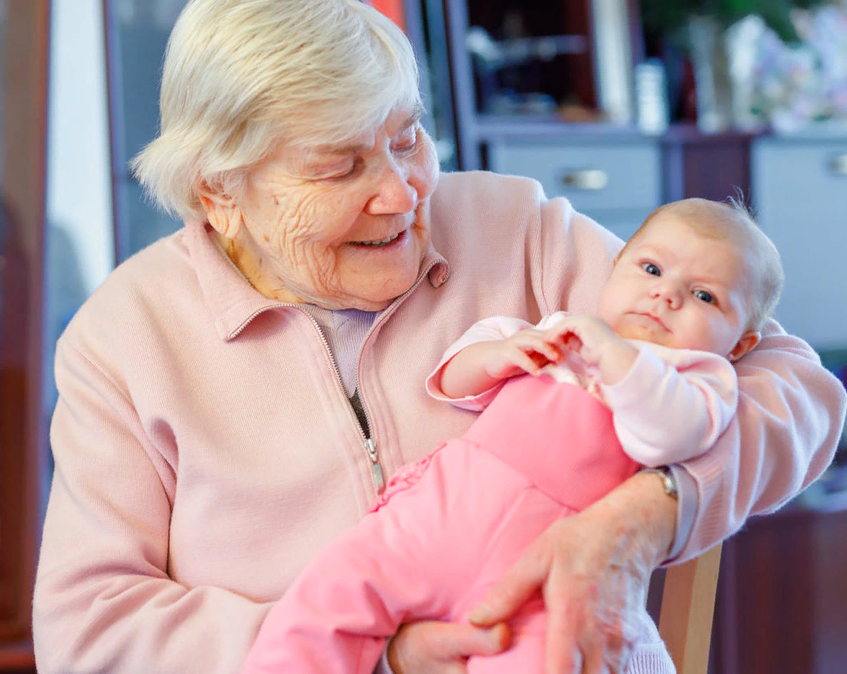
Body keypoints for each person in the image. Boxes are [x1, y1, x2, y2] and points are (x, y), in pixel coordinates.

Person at [30, 1, 847, 672]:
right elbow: (91, 630)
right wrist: (369, 652)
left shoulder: (516, 229)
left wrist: (647, 515)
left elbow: (794, 388)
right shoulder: (126, 339)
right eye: (338, 167)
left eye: (406, 136)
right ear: (219, 191)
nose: (402, 193)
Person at [241, 198, 782, 673]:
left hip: (540, 569)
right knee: (328, 598)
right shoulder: (557, 329)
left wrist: (616, 355)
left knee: (548, 657)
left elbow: (667, 437)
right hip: (438, 514)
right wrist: (499, 355)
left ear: (740, 343)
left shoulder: (699, 375)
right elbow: (450, 382)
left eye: (705, 297)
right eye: (650, 269)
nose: (666, 296)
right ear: (614, 270)